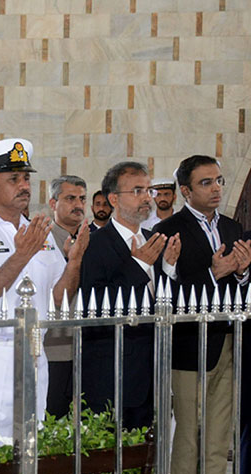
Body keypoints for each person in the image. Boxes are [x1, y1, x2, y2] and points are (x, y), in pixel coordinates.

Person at [0, 138, 88, 450]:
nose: (24, 185)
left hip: (35, 350)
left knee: (31, 442)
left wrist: (74, 262)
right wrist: (21, 256)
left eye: (26, 178)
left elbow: (58, 299)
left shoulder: (43, 234)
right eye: (13, 179)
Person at [154, 155, 251, 474]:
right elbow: (166, 295)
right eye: (207, 183)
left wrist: (241, 274)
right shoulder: (169, 230)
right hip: (188, 348)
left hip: (226, 342)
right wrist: (213, 274)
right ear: (185, 191)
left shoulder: (231, 227)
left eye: (220, 181)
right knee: (187, 436)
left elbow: (241, 287)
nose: (217, 189)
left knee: (217, 436)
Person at [79, 162, 180, 429]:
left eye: (149, 190)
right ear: (114, 199)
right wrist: (138, 266)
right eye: (137, 190)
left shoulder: (154, 239)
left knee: (146, 461)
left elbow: (164, 304)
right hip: (111, 375)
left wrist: (168, 268)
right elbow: (96, 306)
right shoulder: (94, 244)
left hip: (152, 373)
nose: (148, 197)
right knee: (111, 460)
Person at [44, 175, 88, 418]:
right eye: (70, 198)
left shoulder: (94, 237)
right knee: (54, 422)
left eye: (82, 198)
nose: (78, 204)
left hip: (88, 348)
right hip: (55, 349)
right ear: (53, 204)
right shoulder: (42, 239)